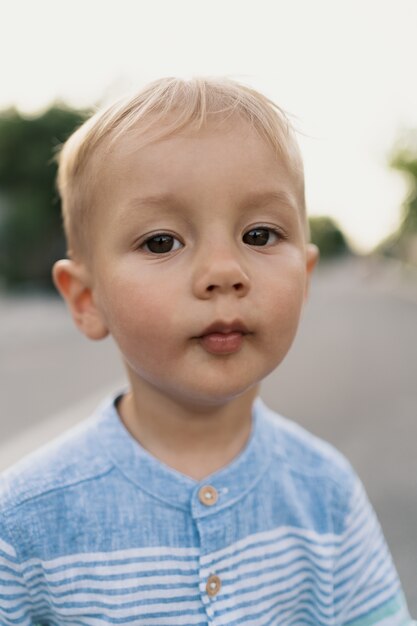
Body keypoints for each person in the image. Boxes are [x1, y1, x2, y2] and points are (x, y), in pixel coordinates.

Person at [0, 77, 413, 625]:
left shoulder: (325, 494)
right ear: (86, 299)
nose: (224, 272)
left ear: (305, 279)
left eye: (260, 235)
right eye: (161, 242)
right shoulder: (28, 518)